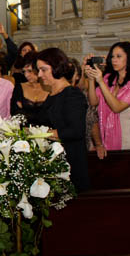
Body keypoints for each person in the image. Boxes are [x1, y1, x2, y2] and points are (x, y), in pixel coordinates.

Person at [36, 48, 90, 192]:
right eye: (39, 70)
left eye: (43, 70)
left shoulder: (72, 95)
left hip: (70, 161)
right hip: (55, 159)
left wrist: (41, 133)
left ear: (57, 67)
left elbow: (76, 131)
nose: (39, 74)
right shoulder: (53, 93)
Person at [85, 42, 130, 150]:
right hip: (105, 132)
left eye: (118, 56)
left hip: (125, 135)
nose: (114, 60)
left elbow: (116, 107)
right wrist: (91, 79)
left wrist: (100, 81)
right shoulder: (109, 78)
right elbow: (93, 102)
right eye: (112, 56)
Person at [10, 51, 49, 125]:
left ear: (38, 69)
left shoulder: (50, 88)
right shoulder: (19, 88)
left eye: (30, 71)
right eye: (24, 71)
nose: (26, 75)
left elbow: (51, 117)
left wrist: (25, 112)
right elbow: (15, 116)